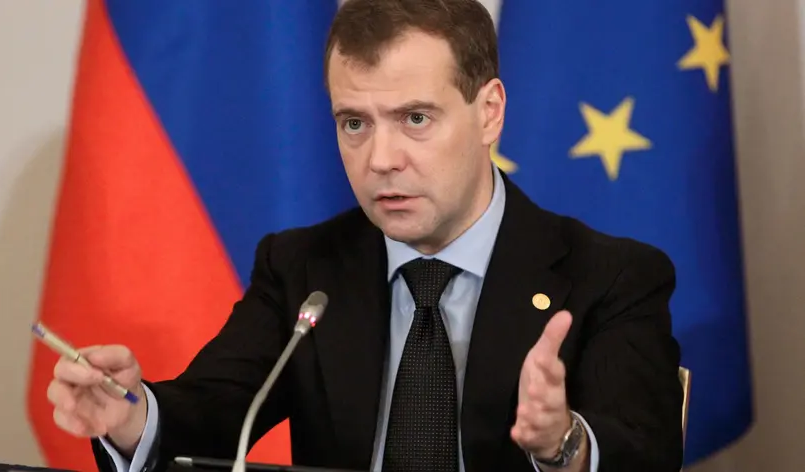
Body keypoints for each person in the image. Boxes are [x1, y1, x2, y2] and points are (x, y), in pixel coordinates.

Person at [46, 0, 685, 471]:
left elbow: (646, 452)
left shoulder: (609, 276)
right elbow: (215, 411)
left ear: (489, 112)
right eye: (354, 123)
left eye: (415, 119)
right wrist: (131, 417)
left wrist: (563, 443)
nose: (380, 159)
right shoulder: (302, 267)